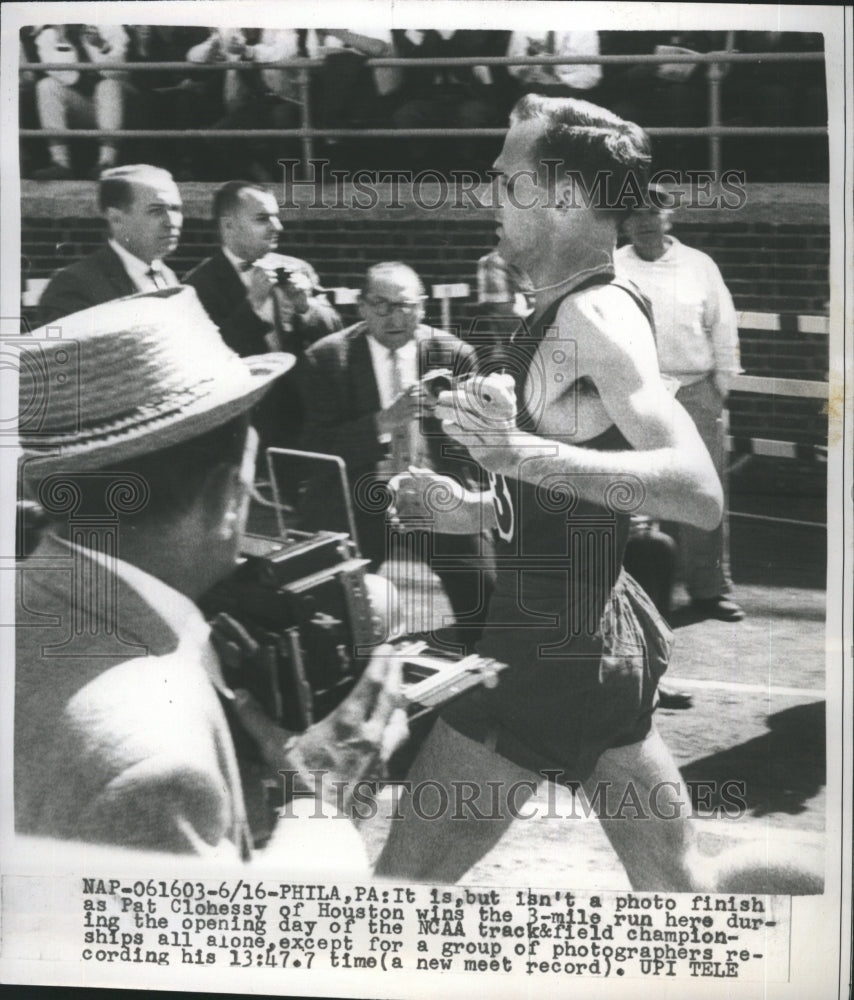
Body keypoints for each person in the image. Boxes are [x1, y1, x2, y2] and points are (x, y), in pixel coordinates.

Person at [375, 96, 724, 889]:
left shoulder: (595, 314)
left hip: (540, 658)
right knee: (678, 889)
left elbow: (696, 492)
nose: (485, 196)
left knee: (400, 893)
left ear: (563, 198)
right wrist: (472, 507)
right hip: (591, 639)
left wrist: (515, 453)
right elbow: (573, 495)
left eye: (505, 181)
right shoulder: (564, 307)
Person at [15, 286, 407, 863]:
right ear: (227, 496)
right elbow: (245, 949)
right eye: (251, 474)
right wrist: (322, 802)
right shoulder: (154, 768)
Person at [299, 262, 494, 646]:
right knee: (332, 609)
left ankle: (488, 678)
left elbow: (474, 445)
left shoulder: (453, 355)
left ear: (422, 308)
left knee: (485, 590)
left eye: (406, 306)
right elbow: (314, 447)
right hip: (360, 497)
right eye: (382, 305)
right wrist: (383, 422)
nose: (395, 317)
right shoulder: (326, 359)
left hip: (434, 493)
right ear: (361, 307)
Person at [615, 190, 744, 621]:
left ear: (669, 215)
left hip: (694, 390)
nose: (645, 220)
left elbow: (723, 326)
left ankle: (709, 590)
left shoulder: (699, 265)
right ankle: (649, 595)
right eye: (634, 213)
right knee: (645, 494)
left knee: (704, 495)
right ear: (622, 221)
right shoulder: (612, 267)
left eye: (653, 210)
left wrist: (718, 388)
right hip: (639, 394)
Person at [184, 180, 342, 448]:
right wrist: (253, 306)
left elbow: (337, 337)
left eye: (276, 218)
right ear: (228, 225)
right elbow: (208, 363)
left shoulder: (296, 268)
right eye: (262, 219)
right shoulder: (198, 285)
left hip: (305, 422)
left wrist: (307, 307)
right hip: (245, 428)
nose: (277, 227)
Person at [36, 164, 183, 325]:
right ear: (116, 219)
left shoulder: (167, 277)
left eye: (176, 209)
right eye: (156, 210)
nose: (172, 221)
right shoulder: (74, 286)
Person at [30, 24, 130, 179]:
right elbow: (62, 74)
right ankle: (60, 164)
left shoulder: (110, 27)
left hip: (110, 104)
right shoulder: (48, 36)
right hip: (78, 106)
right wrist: (63, 41)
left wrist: (101, 45)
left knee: (108, 84)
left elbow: (118, 72)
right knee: (46, 85)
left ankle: (106, 162)